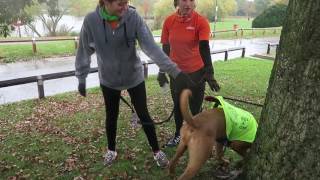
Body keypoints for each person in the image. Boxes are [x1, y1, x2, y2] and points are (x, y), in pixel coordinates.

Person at [75, 0, 194, 167]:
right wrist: (81, 77)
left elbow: (151, 48)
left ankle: (156, 151)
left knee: (144, 114)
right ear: (105, 3)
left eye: (126, 2)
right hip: (109, 79)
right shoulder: (91, 21)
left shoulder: (133, 18)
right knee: (111, 116)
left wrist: (176, 72)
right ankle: (111, 150)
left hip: (134, 77)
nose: (125, 7)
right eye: (120, 4)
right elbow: (84, 51)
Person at [158, 0, 220, 147]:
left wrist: (209, 72)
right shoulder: (169, 21)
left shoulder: (201, 21)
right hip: (177, 74)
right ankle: (178, 135)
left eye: (191, 0)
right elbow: (165, 48)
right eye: (184, 0)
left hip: (196, 74)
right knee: (178, 106)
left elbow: (204, 46)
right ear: (177, 2)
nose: (188, 4)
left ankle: (195, 135)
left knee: (195, 108)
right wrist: (162, 70)